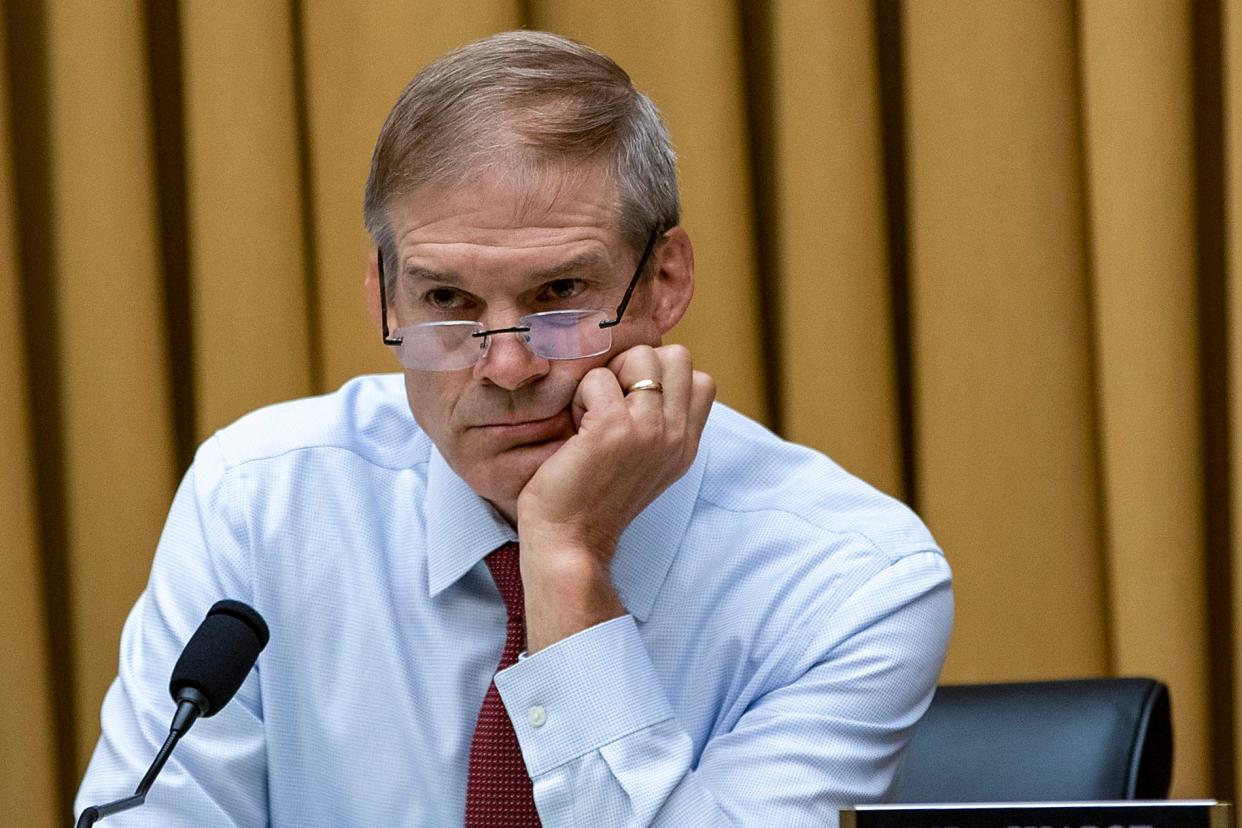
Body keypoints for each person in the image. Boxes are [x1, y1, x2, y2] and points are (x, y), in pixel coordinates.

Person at [76, 30, 952, 826]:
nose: (507, 368)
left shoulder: (851, 579)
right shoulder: (261, 498)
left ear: (665, 282)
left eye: (560, 295)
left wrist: (569, 560)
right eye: (447, 301)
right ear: (385, 296)